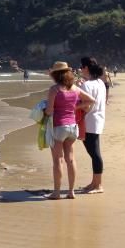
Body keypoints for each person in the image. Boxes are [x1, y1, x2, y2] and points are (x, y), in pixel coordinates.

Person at [44, 61, 94, 200]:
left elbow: (49, 111)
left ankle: (56, 193)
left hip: (59, 126)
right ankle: (71, 191)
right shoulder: (74, 88)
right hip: (73, 127)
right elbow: (91, 100)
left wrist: (44, 111)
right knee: (70, 159)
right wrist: (75, 108)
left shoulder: (54, 90)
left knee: (57, 160)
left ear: (55, 75)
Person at [79, 57, 107, 194]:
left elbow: (86, 106)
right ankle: (94, 183)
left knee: (94, 153)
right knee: (94, 152)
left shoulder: (87, 85)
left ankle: (98, 185)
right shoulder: (100, 82)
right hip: (99, 119)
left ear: (85, 68)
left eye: (81, 67)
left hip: (89, 120)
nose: (80, 70)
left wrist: (75, 107)